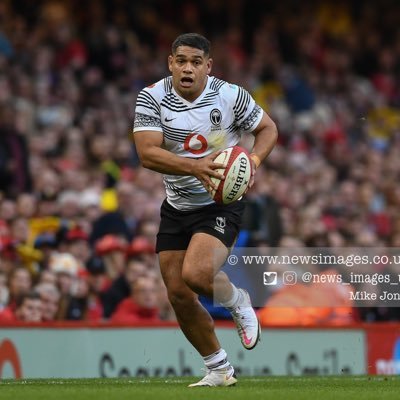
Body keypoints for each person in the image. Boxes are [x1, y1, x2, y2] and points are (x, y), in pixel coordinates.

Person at [133, 33, 278, 387]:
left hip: (220, 203)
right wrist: (195, 168)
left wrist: (253, 161)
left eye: (195, 62)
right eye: (180, 61)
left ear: (207, 66)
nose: (187, 68)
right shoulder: (151, 97)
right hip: (177, 205)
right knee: (179, 294)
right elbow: (147, 153)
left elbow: (268, 128)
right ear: (170, 62)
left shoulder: (230, 95)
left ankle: (239, 301)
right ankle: (219, 369)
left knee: (196, 275)